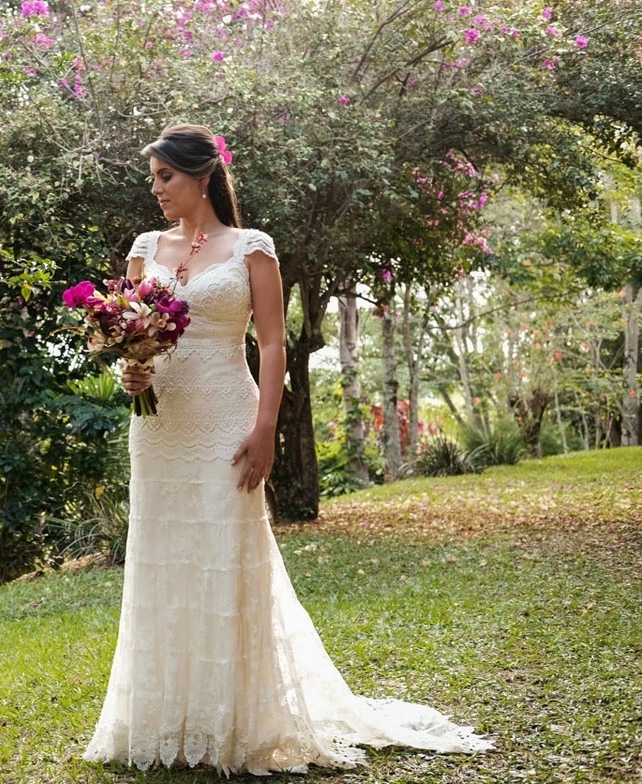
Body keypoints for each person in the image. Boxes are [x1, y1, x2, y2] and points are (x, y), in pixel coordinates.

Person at [82, 124, 492, 775]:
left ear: (202, 176)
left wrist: (266, 426)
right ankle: (165, 719)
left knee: (224, 555)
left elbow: (272, 345)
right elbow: (128, 333)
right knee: (163, 557)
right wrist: (127, 374)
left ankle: (232, 725)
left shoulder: (252, 248)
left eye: (166, 177)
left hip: (227, 422)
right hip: (159, 428)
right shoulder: (143, 248)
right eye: (153, 179)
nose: (156, 190)